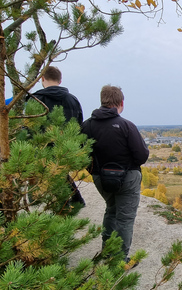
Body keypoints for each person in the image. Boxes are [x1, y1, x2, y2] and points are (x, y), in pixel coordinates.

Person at [81, 85, 149, 261]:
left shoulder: (87, 126)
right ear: (121, 103)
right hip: (127, 178)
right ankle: (119, 261)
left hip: (100, 178)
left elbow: (80, 154)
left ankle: (107, 251)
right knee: (125, 219)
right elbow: (141, 156)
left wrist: (94, 171)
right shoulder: (126, 126)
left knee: (111, 211)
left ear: (102, 101)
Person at [30, 66, 85, 206]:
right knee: (60, 173)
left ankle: (65, 206)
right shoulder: (73, 100)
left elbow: (29, 128)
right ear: (60, 80)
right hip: (67, 148)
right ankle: (75, 200)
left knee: (54, 177)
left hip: (43, 148)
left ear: (42, 79)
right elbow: (79, 126)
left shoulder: (36, 99)